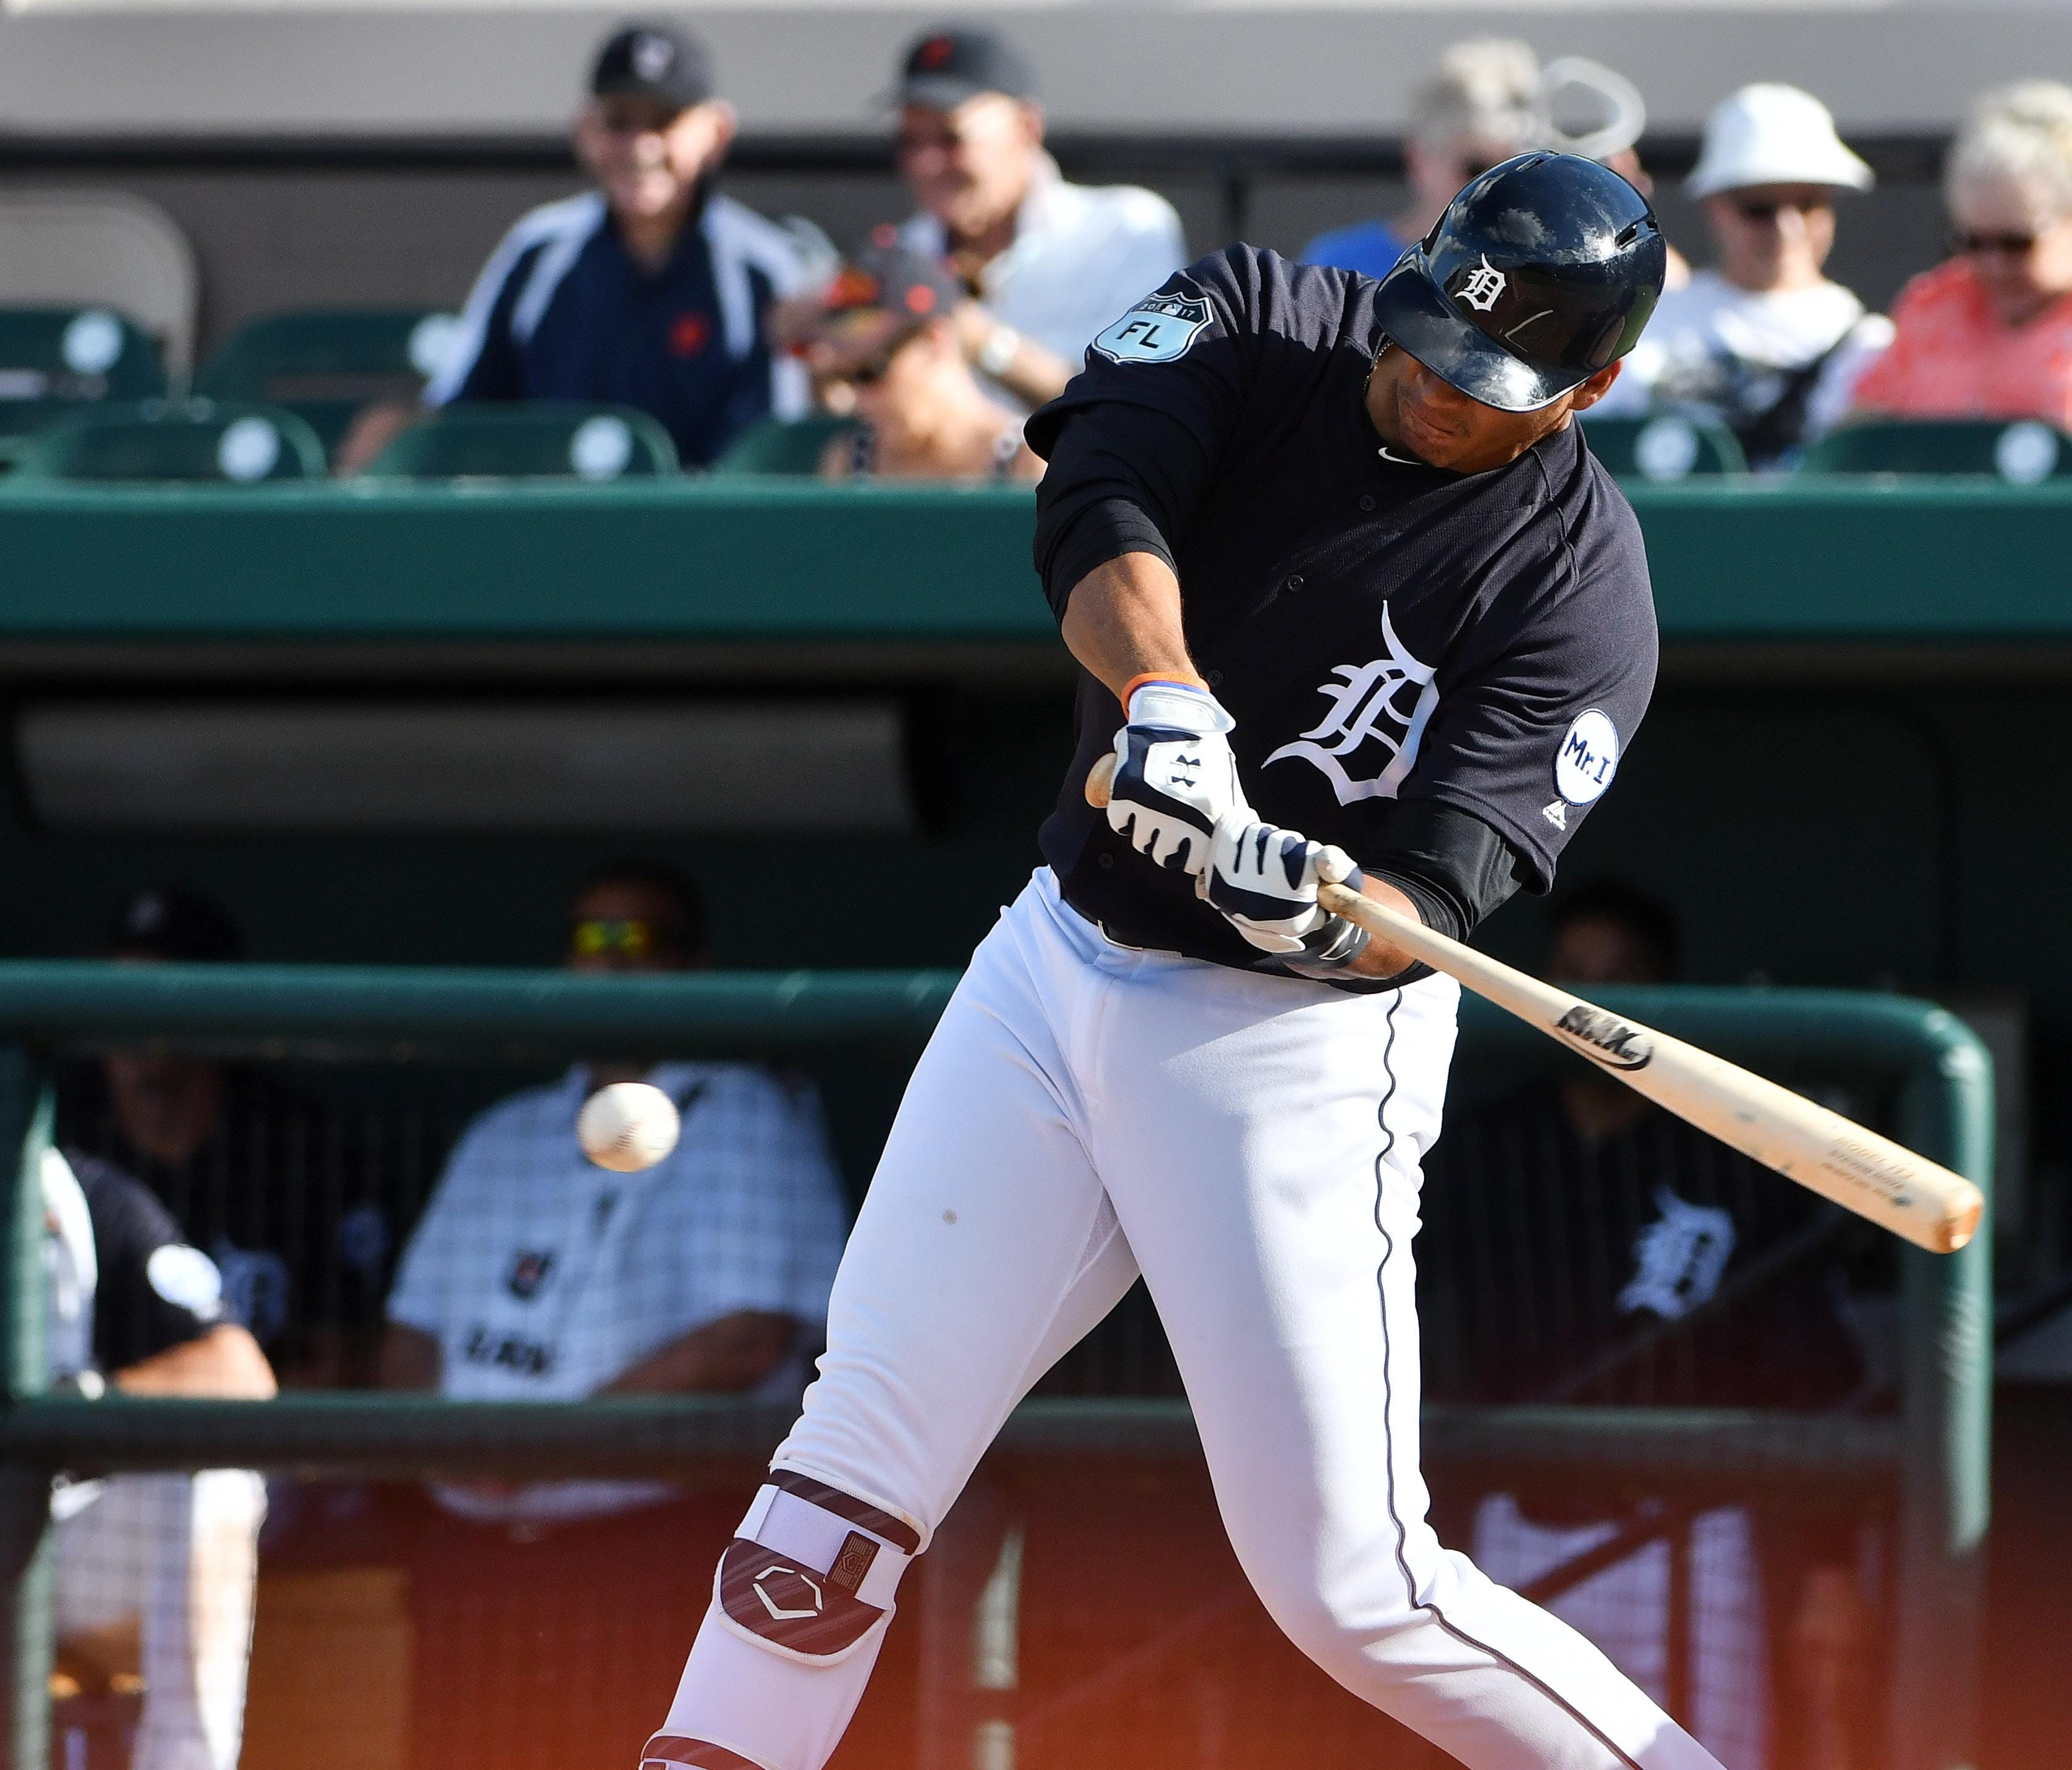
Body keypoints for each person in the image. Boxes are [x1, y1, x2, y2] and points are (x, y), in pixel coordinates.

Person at [642, 153, 1732, 1770]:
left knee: (1351, 1582)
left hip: (1287, 1047)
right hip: (1056, 956)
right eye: (1430, 334)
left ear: (1595, 388)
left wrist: (1316, 904)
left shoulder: (1581, 587)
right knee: (841, 1469)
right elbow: (1095, 493)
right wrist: (1168, 701)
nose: (1434, 380)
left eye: (1486, 380)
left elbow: (1441, 886)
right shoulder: (1256, 311)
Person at [382, 861, 849, 1770]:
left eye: (644, 940)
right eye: (593, 940)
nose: (615, 963)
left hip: (643, 1552)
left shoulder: (752, 1113)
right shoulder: (506, 1129)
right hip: (468, 1557)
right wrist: (443, 1441)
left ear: (697, 965)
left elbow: (748, 1337)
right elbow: (409, 1329)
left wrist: (543, 1446)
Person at [1420, 882, 1869, 1769]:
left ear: (1663, 995)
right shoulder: (1483, 1145)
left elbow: (1818, 1369)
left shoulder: (1729, 1152)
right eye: (1572, 976)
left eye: (1619, 978)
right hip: (1518, 1528)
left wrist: (1831, 1572)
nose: (1592, 999)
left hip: (1688, 1536)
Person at [421, 20, 813, 467]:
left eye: (665, 121)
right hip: (550, 526)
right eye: (619, 123)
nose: (641, 147)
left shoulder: (763, 267)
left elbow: (770, 454)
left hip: (702, 531)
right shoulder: (537, 250)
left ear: (716, 133)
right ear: (586, 131)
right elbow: (459, 418)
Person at [55, 887, 397, 1389]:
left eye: (158, 996)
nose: (134, 1028)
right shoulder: (67, 1150)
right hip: (101, 1461)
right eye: (117, 993)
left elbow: (361, 1362)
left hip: (278, 1452)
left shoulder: (302, 1152)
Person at [45, 1143, 274, 1770]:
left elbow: (240, 1375)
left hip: (55, 1537)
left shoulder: (84, 1197)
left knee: (216, 1472)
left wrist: (77, 1413)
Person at [888, 23, 1187, 409]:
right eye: (908, 142)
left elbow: (1135, 405)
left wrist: (978, 339)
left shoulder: (1126, 229)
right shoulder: (900, 255)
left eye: (952, 138)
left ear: (1027, 128)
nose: (924, 165)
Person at [1595, 83, 1890, 466]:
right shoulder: (1648, 321)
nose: (1789, 230)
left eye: (1808, 205)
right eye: (1759, 209)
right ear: (1714, 208)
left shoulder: (1872, 345)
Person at [1849, 81, 2072, 429]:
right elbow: (1862, 440)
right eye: (1973, 243)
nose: (1993, 265)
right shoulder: (1934, 309)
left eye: (2017, 243)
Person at [788, 240, 1042, 482]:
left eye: (870, 372)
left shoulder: (1031, 461)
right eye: (843, 377)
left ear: (935, 340)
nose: (856, 400)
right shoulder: (845, 462)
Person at [1304, 38, 1542, 280]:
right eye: (1477, 168)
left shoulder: (1540, 271)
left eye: (1517, 173)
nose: (1497, 191)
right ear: (1419, 162)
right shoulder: (1339, 268)